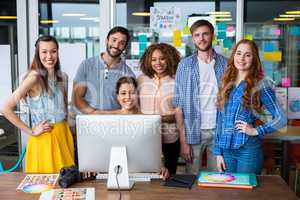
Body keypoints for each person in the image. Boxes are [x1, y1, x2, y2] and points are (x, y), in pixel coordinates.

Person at [0, 35, 74, 173]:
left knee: (65, 186)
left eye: (53, 51)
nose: (49, 56)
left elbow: (64, 110)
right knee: (43, 187)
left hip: (63, 135)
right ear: (38, 54)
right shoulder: (34, 78)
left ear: (58, 52)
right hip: (44, 138)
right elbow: (6, 109)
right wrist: (31, 131)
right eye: (44, 52)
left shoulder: (63, 76)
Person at [214, 39, 287, 174]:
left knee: (246, 193)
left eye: (247, 55)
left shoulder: (261, 84)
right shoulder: (225, 82)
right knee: (228, 192)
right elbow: (219, 121)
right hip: (226, 150)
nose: (242, 58)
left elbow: (281, 119)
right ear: (233, 55)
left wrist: (256, 131)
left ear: (254, 59)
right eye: (239, 53)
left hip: (248, 150)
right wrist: (218, 152)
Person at [173, 19, 227, 175]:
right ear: (193, 38)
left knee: (217, 178)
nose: (201, 38)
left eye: (205, 34)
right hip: (193, 131)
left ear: (212, 36)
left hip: (219, 130)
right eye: (197, 35)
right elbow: (178, 106)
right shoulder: (184, 65)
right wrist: (183, 141)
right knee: (191, 179)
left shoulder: (225, 64)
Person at [96, 76, 170, 179]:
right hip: (115, 172)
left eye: (132, 92)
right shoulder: (109, 119)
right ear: (117, 96)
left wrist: (162, 166)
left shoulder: (150, 120)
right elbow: (100, 147)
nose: (128, 97)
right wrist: (93, 165)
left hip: (143, 172)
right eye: (123, 93)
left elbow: (158, 151)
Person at [138, 43, 181, 175]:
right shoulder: (141, 80)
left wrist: (162, 119)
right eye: (153, 59)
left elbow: (181, 112)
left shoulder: (177, 81)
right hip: (145, 137)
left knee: (169, 176)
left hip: (170, 138)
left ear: (169, 58)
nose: (158, 63)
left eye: (162, 58)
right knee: (146, 177)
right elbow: (135, 107)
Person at [72, 26, 135, 114]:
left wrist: (110, 115)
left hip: (115, 122)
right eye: (114, 40)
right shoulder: (86, 65)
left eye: (122, 43)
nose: (116, 45)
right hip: (89, 121)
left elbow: (129, 104)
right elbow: (77, 98)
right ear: (107, 40)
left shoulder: (128, 74)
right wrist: (95, 114)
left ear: (124, 47)